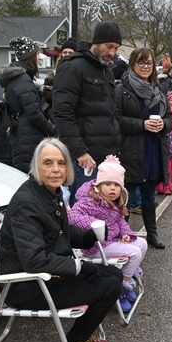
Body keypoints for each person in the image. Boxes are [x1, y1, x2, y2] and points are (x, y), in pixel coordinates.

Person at [0, 137, 123, 342]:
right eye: (48, 163)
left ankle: (83, 334)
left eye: (61, 163)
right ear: (36, 166)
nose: (56, 169)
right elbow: (34, 260)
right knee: (110, 285)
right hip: (26, 286)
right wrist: (80, 266)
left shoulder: (50, 192)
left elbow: (61, 230)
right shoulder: (27, 202)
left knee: (114, 274)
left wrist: (88, 236)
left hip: (46, 277)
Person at [52, 21, 123, 206]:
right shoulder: (72, 67)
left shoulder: (106, 70)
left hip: (107, 156)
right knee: (85, 210)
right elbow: (62, 112)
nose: (112, 52)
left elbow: (109, 113)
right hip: (85, 159)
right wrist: (80, 151)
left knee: (106, 210)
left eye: (116, 48)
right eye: (109, 46)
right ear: (96, 42)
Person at [68, 155, 147, 313]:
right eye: (108, 184)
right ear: (98, 185)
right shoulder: (90, 201)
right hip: (96, 246)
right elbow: (72, 216)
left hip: (111, 241)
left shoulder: (114, 202)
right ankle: (123, 287)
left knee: (142, 244)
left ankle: (128, 275)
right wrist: (96, 224)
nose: (112, 189)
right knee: (134, 252)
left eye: (116, 185)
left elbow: (120, 221)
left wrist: (126, 234)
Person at [114, 48, 172, 249]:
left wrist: (163, 124)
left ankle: (152, 233)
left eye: (149, 63)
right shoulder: (121, 89)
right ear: (132, 64)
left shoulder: (158, 89)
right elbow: (115, 119)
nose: (146, 66)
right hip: (130, 151)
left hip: (153, 149)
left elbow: (170, 117)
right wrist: (142, 124)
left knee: (149, 195)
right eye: (141, 62)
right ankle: (122, 236)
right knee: (126, 198)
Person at [0, 36, 57, 173]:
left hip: (23, 137)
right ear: (29, 57)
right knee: (30, 176)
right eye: (37, 54)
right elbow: (34, 113)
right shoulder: (23, 80)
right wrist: (52, 131)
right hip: (28, 140)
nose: (39, 58)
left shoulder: (19, 78)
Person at [39, 37, 79, 122]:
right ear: (61, 54)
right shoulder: (53, 74)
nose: (67, 54)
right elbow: (46, 93)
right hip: (56, 114)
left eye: (70, 52)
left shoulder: (80, 72)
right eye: (65, 52)